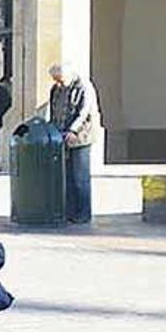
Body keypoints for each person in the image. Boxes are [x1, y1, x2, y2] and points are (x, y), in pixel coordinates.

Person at [48, 64, 99, 224]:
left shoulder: (84, 87)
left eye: (61, 80)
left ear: (69, 75)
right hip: (62, 136)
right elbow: (53, 111)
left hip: (81, 137)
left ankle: (83, 213)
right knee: (67, 176)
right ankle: (69, 212)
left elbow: (84, 112)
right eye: (56, 81)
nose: (59, 84)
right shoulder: (56, 89)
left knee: (80, 177)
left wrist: (73, 130)